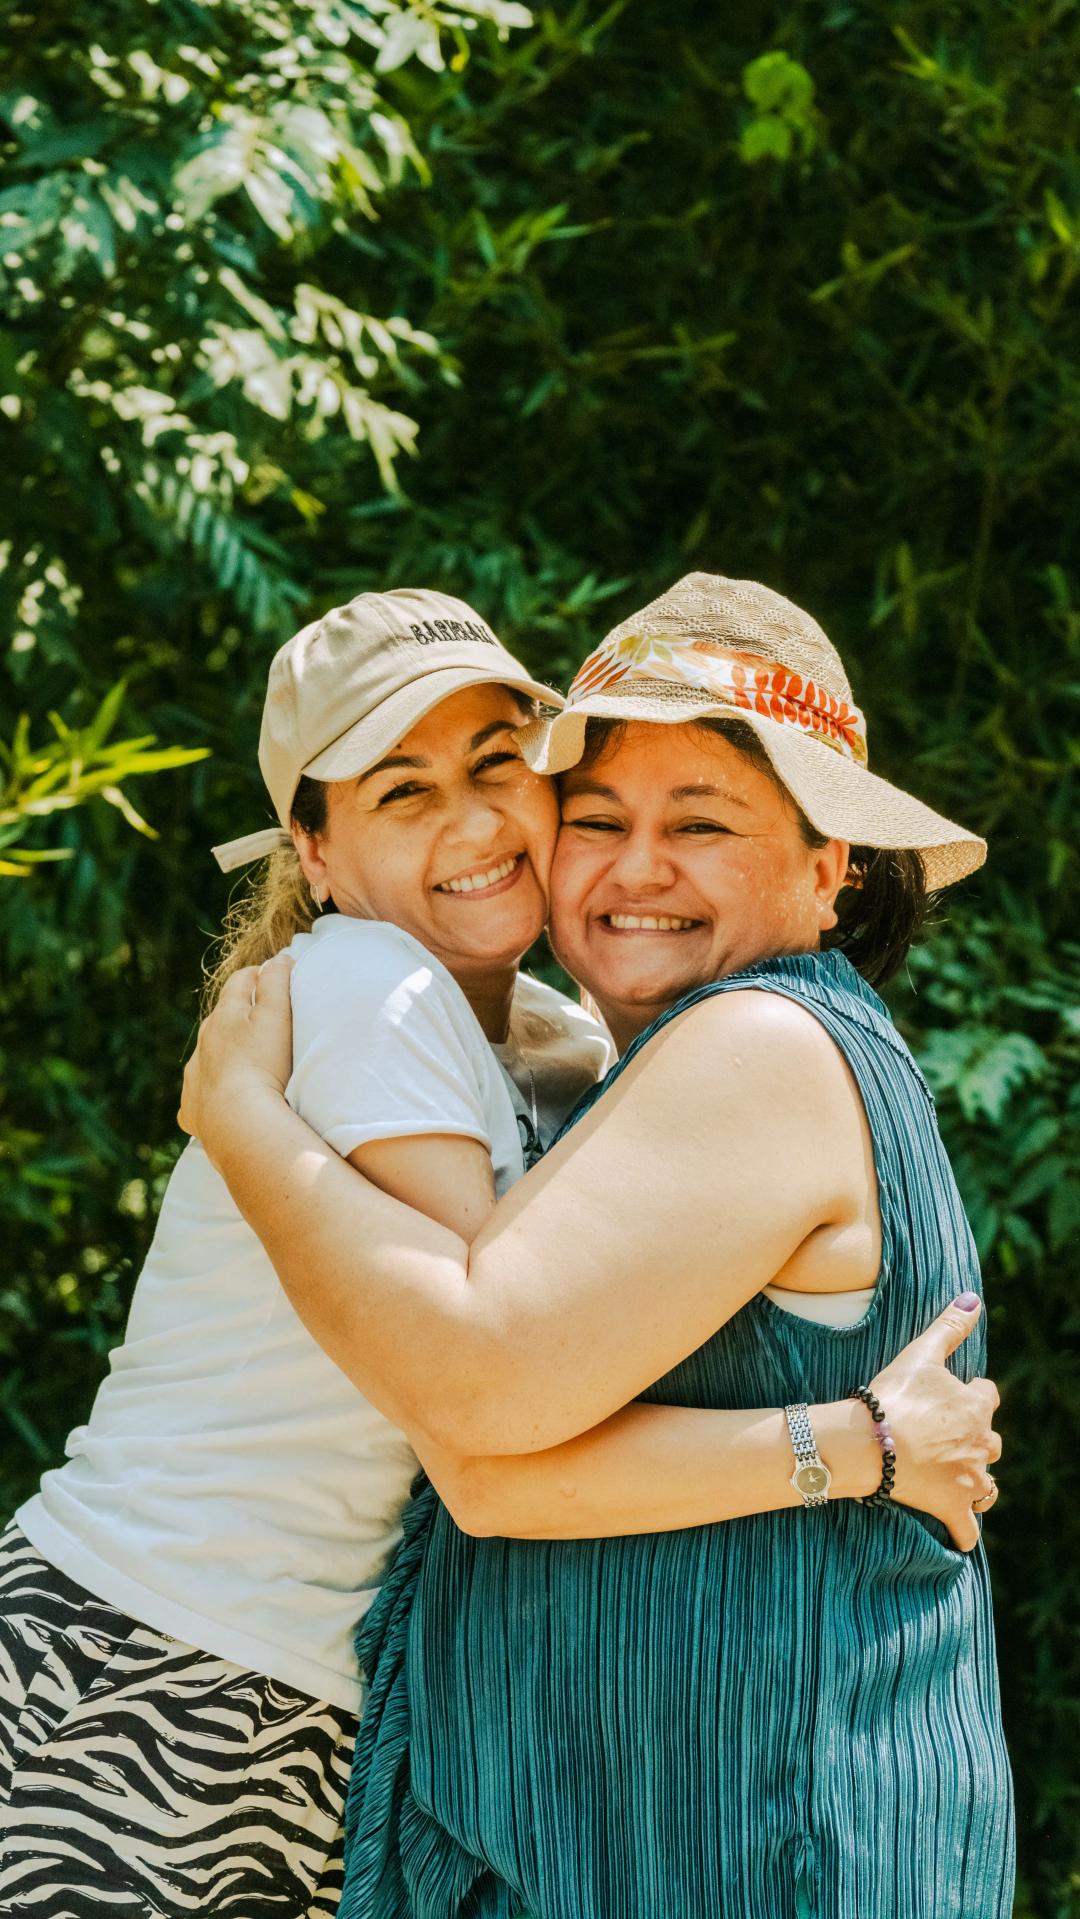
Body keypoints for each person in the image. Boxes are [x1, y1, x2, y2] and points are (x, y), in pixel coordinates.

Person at [0, 584, 995, 1919]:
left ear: (831, 868)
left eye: (498, 772)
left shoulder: (581, 1047)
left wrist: (240, 1117)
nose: (475, 825)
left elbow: (484, 1395)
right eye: (403, 793)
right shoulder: (372, 986)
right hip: (161, 1657)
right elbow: (481, 1411)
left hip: (277, 1691)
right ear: (317, 851)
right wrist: (857, 1443)